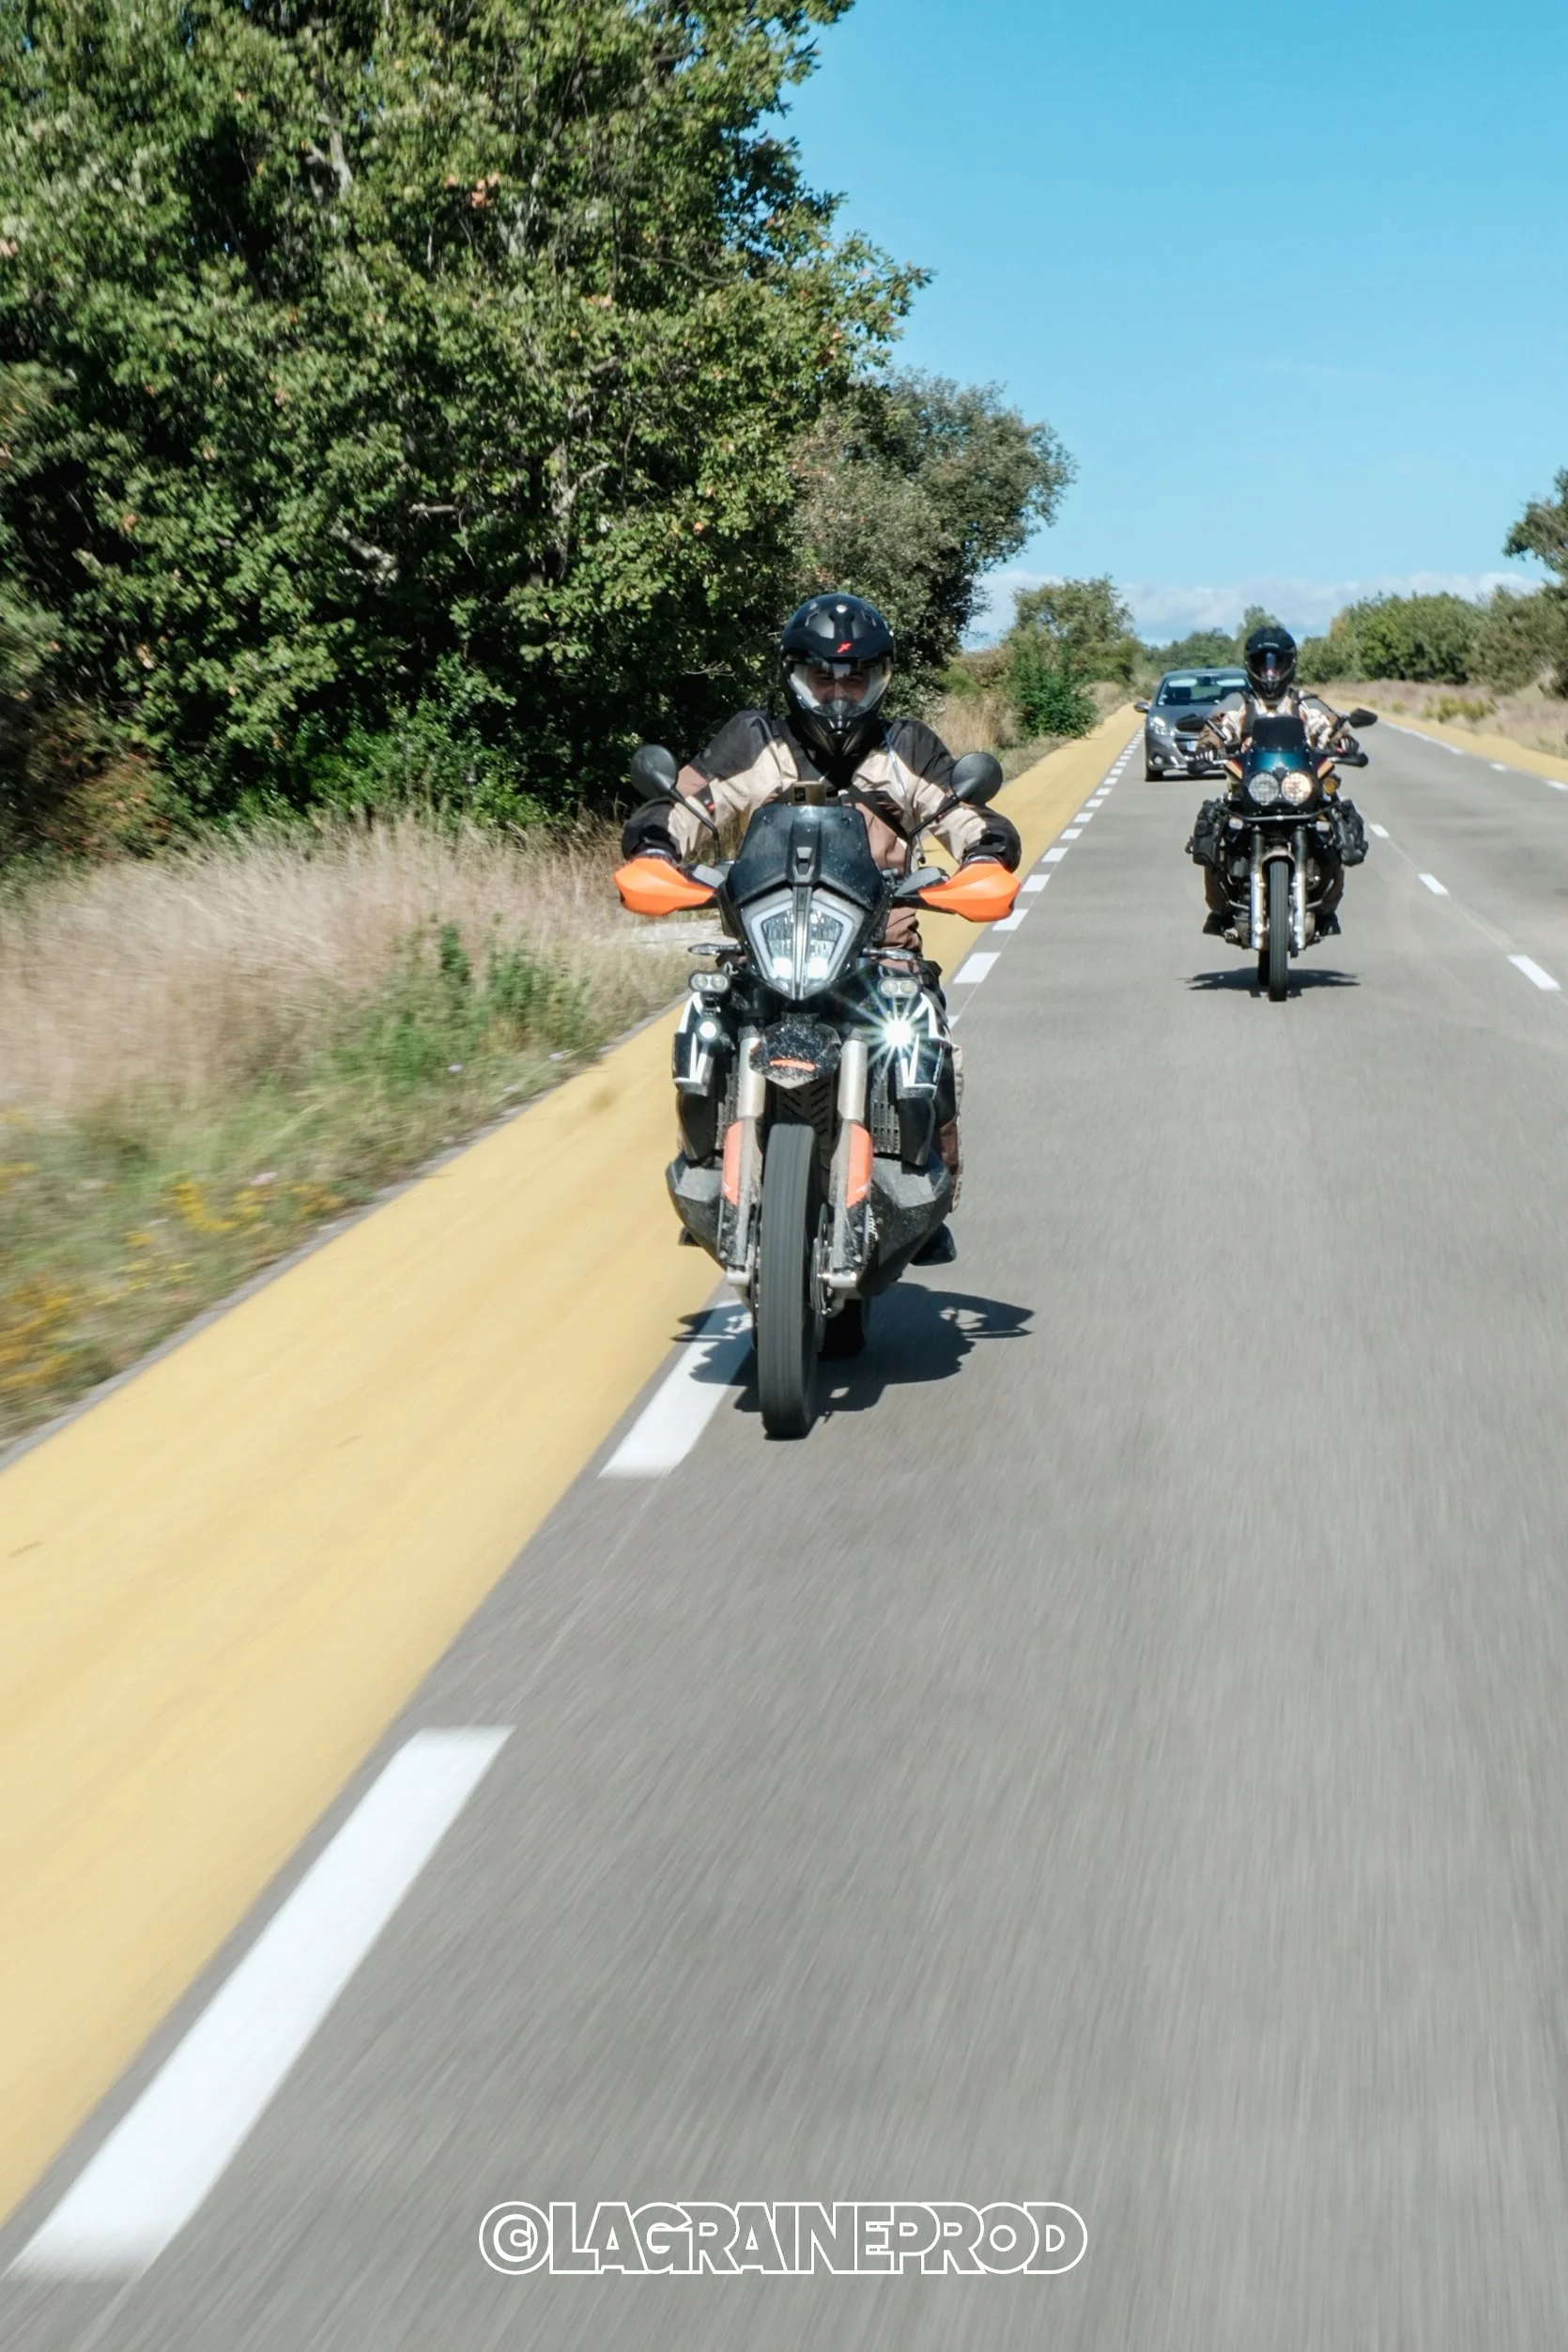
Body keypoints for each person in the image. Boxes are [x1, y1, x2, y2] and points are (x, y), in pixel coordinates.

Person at [623, 592, 1021, 1240]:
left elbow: (966, 815)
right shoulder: (756, 742)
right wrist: (658, 846)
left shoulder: (908, 748)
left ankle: (929, 1192)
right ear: (797, 676)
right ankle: (707, 1161)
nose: (839, 692)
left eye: (855, 676)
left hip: (876, 952)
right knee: (708, 1016)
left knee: (929, 1039)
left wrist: (983, 857)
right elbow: (690, 802)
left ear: (878, 679)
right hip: (768, 945)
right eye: (823, 677)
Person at [1189, 623, 1365, 935]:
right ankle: (1219, 908)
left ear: (1289, 665)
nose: (1270, 672)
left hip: (1299, 788)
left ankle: (1326, 908)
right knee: (1213, 831)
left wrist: (1343, 741)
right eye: (1263, 664)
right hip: (1251, 791)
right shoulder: (1240, 704)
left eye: (1277, 664)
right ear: (1251, 666)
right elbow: (1218, 728)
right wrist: (1205, 747)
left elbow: (1329, 726)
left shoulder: (1304, 704)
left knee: (1336, 833)